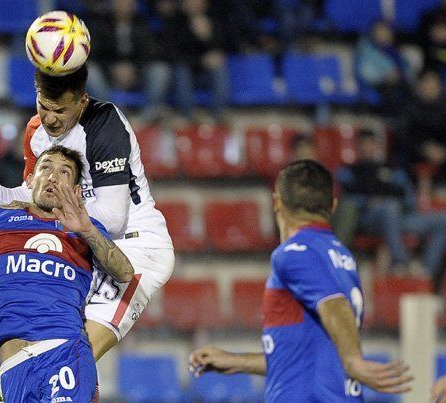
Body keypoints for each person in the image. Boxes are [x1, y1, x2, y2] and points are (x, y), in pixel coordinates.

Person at [0, 64, 174, 395]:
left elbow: (112, 218)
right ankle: (9, 373)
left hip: (134, 248)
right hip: (85, 249)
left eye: (60, 110)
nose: (49, 118)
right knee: (61, 352)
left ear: (81, 101)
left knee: (75, 356)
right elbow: (34, 196)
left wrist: (60, 209)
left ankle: (6, 376)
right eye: (43, 107)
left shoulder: (104, 124)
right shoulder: (35, 132)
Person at [188, 160, 413, 401]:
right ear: (333, 205)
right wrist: (237, 361)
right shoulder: (342, 256)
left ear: (276, 202)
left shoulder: (294, 253)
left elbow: (334, 304)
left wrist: (353, 361)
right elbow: (305, 356)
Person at [0, 146, 134, 402]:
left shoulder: (84, 229)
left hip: (64, 351)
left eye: (64, 172)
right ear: (31, 180)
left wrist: (87, 230)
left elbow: (125, 272)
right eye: (45, 168)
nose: (53, 177)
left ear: (76, 191)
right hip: (13, 367)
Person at [338, 130, 446, 285]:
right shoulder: (350, 171)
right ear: (358, 147)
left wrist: (404, 205)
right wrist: (368, 201)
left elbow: (409, 199)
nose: (368, 148)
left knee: (442, 220)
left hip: (399, 218)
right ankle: (400, 262)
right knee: (389, 207)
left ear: (377, 146)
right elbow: (346, 200)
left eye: (371, 144)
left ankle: (425, 272)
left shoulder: (393, 170)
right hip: (369, 220)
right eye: (364, 144)